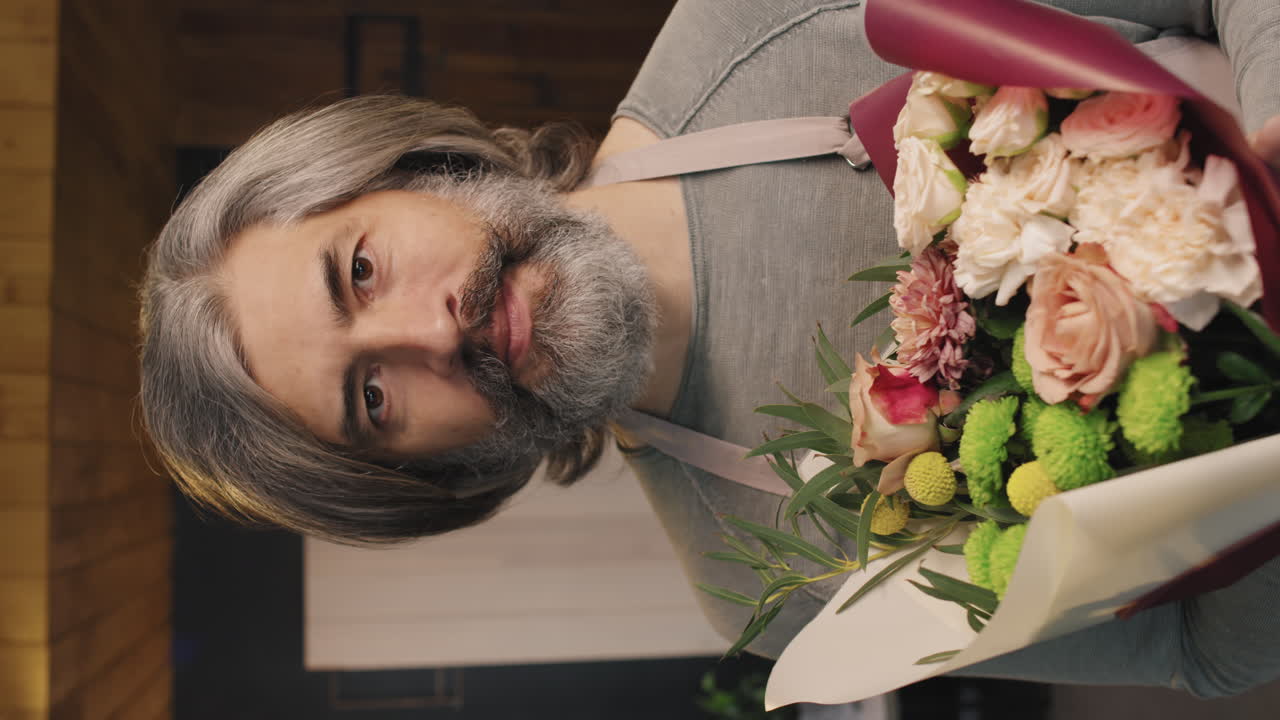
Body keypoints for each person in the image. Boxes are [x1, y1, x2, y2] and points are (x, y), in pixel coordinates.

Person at [139, 0, 1280, 698]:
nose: (423, 332)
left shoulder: (749, 19)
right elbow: (1195, 648)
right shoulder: (754, 583)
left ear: (410, 169)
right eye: (371, 398)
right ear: (428, 473)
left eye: (360, 270)